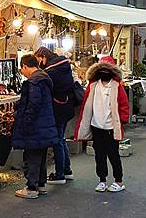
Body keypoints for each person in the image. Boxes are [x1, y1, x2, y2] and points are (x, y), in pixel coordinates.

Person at [74, 59, 129, 193]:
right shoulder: (93, 85)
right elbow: (86, 104)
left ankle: (119, 181)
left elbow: (124, 104)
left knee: (113, 155)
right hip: (96, 126)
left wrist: (122, 120)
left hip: (111, 127)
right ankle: (102, 180)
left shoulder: (117, 86)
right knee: (99, 155)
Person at [12, 55, 59, 199]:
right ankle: (40, 185)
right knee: (40, 155)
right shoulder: (44, 79)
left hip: (35, 126)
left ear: (25, 66)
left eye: (22, 69)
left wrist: (25, 122)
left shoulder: (34, 82)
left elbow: (33, 104)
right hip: (45, 124)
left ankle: (31, 187)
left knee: (32, 155)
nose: (22, 72)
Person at [34, 46, 76, 184]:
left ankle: (59, 175)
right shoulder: (64, 66)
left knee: (57, 141)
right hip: (66, 107)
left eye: (38, 59)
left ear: (43, 57)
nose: (38, 63)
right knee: (61, 139)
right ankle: (67, 170)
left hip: (57, 109)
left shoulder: (51, 71)